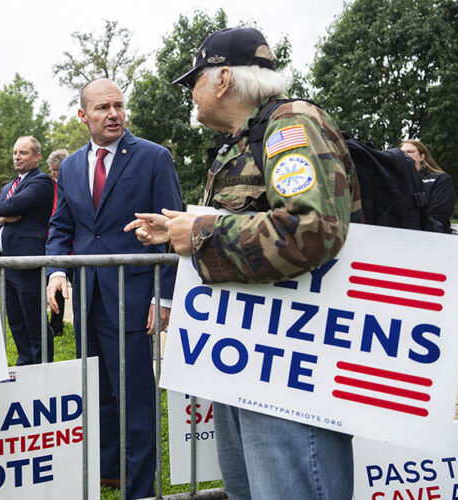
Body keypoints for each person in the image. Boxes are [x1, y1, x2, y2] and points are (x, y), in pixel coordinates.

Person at [125, 28, 362, 500]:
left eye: (194, 80)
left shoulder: (291, 125)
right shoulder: (241, 142)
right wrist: (178, 230)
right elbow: (244, 223)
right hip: (251, 361)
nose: (190, 93)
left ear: (223, 79)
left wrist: (198, 235)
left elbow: (310, 228)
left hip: (294, 367)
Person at [45, 78, 182, 498]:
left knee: (136, 398)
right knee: (99, 392)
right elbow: (61, 226)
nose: (114, 114)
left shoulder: (154, 159)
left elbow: (173, 229)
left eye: (119, 105)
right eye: (103, 108)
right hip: (87, 298)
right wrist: (55, 271)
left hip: (135, 298)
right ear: (83, 116)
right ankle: (108, 469)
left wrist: (163, 298)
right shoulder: (69, 167)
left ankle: (140, 488)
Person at [0, 136, 55, 364]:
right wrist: (0, 216)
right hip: (8, 263)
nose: (17, 157)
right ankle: (25, 363)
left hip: (27, 263)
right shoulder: (8, 186)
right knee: (15, 319)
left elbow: (11, 206)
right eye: (15, 152)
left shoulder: (41, 182)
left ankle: (43, 366)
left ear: (37, 156)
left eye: (23, 153)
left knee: (34, 319)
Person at [401, 139, 455, 232]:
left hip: (432, 237)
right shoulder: (396, 181)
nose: (405, 155)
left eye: (410, 152)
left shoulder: (440, 179)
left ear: (422, 156)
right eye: (402, 153)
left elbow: (439, 215)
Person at [47, 148, 69, 337]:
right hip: (53, 242)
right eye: (52, 170)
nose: (55, 173)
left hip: (72, 246)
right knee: (55, 285)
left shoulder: (72, 184)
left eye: (57, 169)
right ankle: (55, 325)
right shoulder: (47, 186)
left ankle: (60, 325)